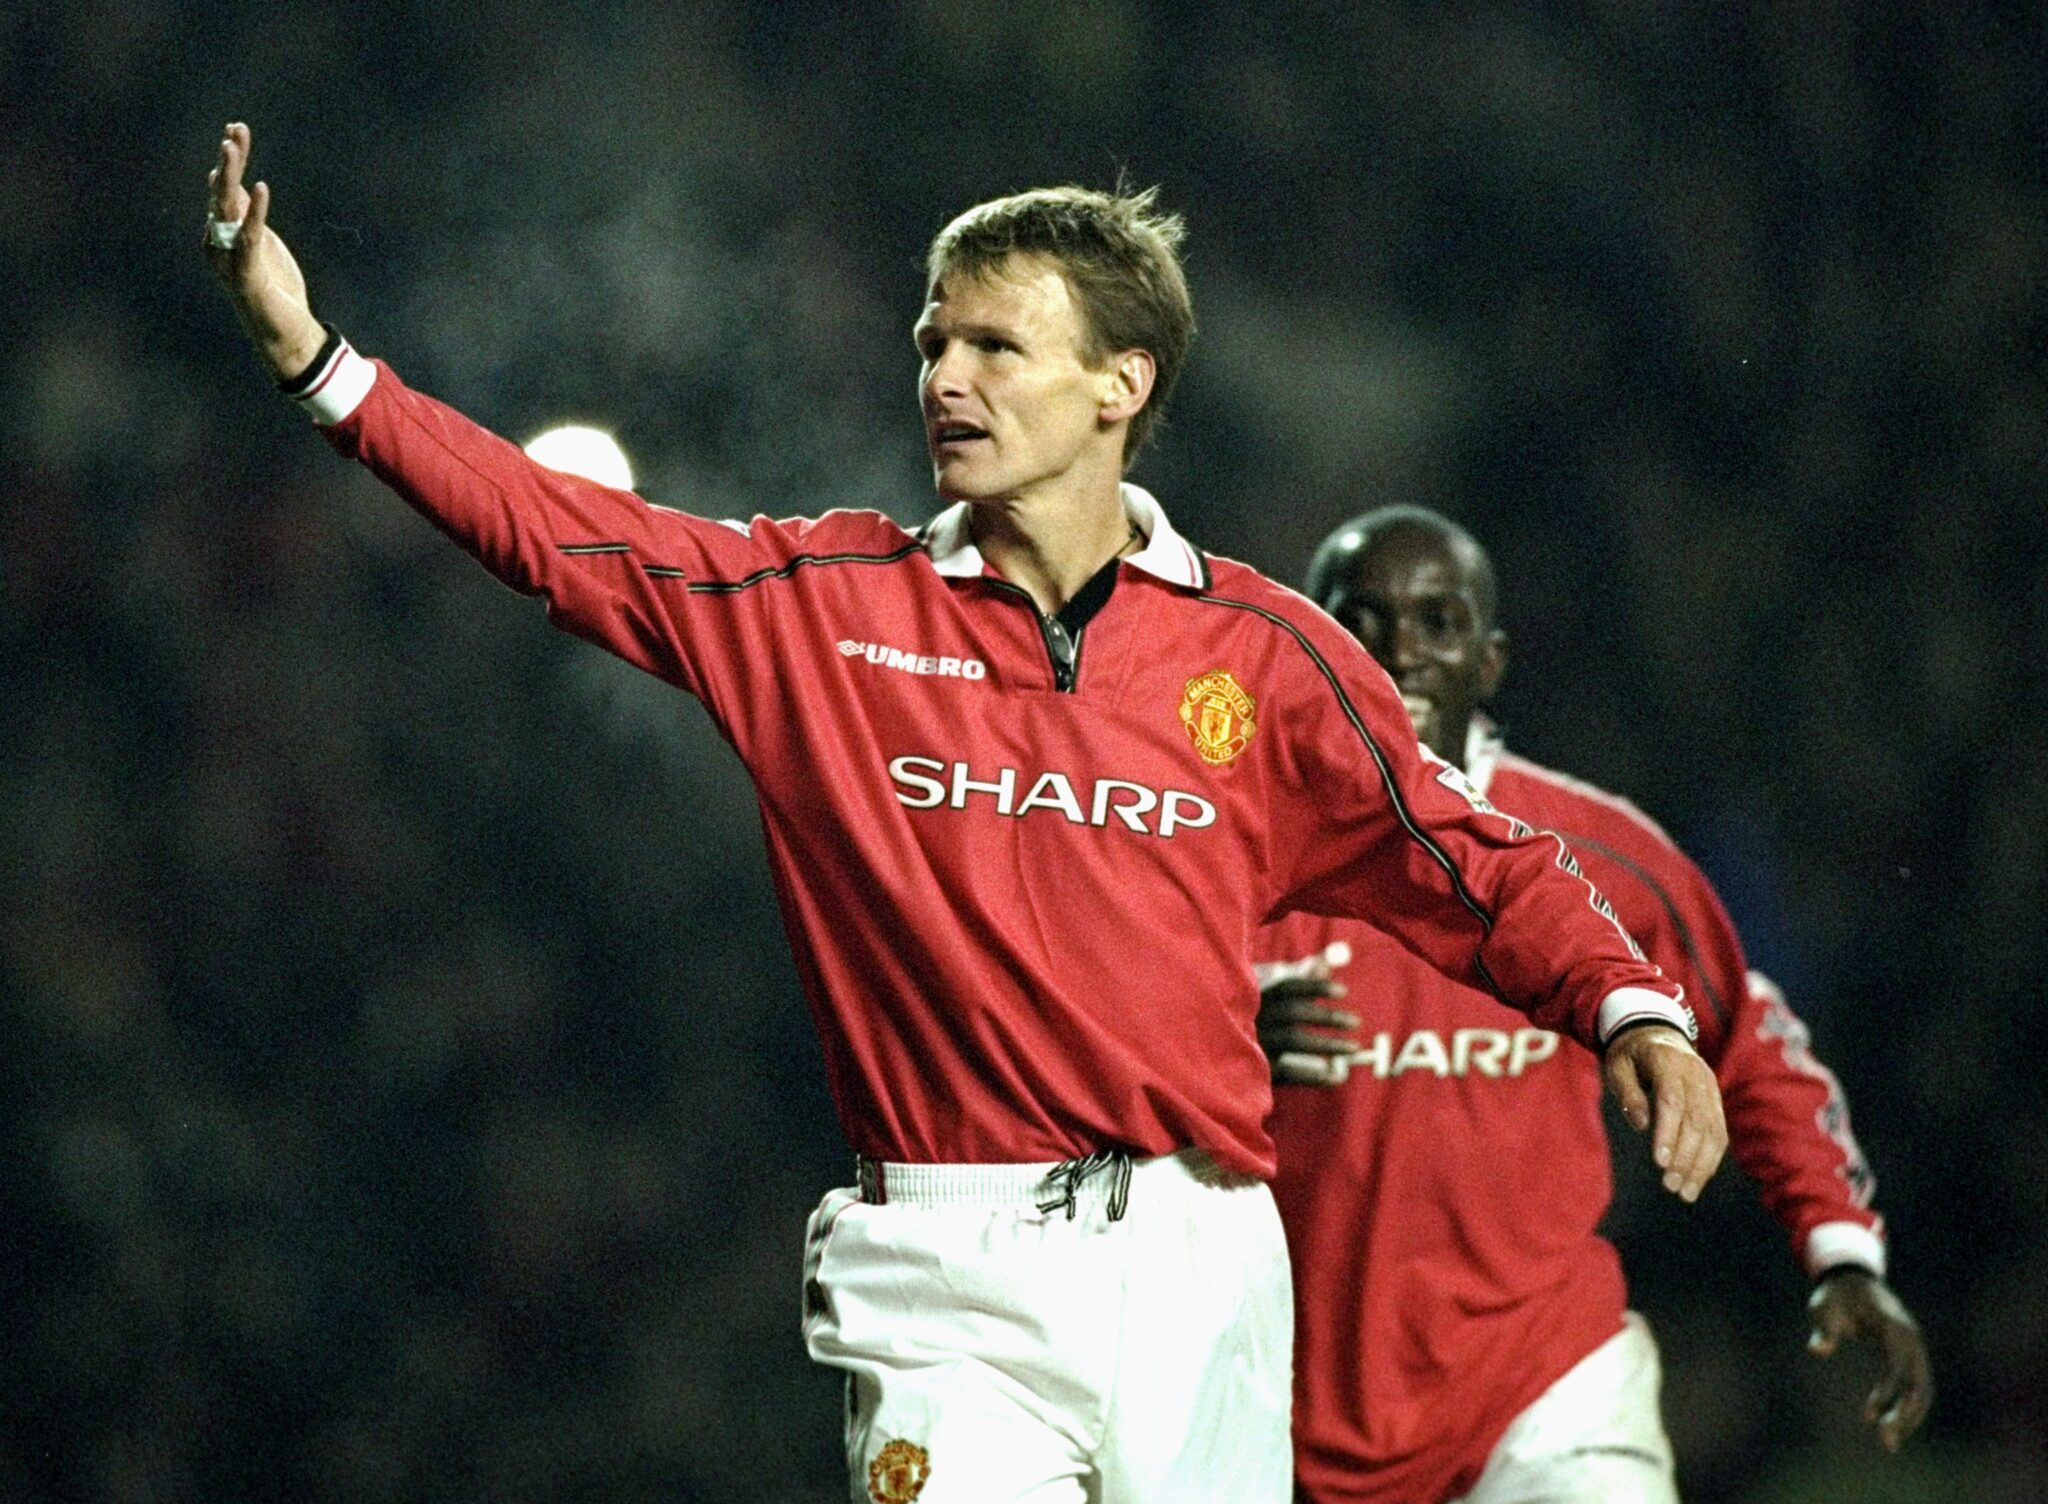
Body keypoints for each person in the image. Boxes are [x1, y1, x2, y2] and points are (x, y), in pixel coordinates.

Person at [202, 123, 1728, 1503]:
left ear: (1122, 384)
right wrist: (326, 370)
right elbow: (566, 534)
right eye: (935, 341)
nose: (945, 377)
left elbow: (1473, 859)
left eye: (998, 346)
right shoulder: (826, 608)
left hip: (1202, 1259)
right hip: (947, 1272)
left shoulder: (1266, 656)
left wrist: (1631, 1011)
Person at [1257, 507, 1931, 1504]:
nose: (1399, 649)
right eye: (1359, 620)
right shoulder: (1229, 851)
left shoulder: (1598, 854)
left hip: (1547, 1395)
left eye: (1437, 621)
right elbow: (1086, 1054)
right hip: (1276, 1407)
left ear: (1489, 661)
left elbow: (1749, 1045)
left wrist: (1840, 1251)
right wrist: (1216, 1043)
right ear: (1304, 647)